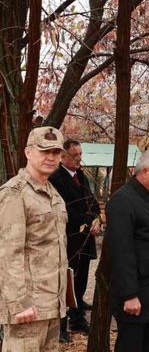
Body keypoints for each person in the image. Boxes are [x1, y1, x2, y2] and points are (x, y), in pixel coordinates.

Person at [0, 126, 67, 351]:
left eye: (56, 153)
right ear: (28, 152)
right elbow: (8, 253)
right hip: (28, 308)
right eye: (44, 151)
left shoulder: (53, 194)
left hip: (51, 305)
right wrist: (19, 304)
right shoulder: (15, 193)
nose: (51, 157)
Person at [105, 150, 149, 352]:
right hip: (135, 295)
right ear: (144, 172)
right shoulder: (122, 201)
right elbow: (120, 251)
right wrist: (129, 294)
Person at [49, 139, 102, 342]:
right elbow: (65, 210)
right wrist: (87, 222)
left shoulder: (81, 175)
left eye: (80, 154)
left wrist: (96, 219)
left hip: (85, 239)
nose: (79, 158)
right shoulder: (56, 178)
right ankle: (61, 326)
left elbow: (92, 203)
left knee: (80, 282)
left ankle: (77, 319)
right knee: (65, 284)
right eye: (75, 155)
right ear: (63, 156)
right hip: (69, 239)